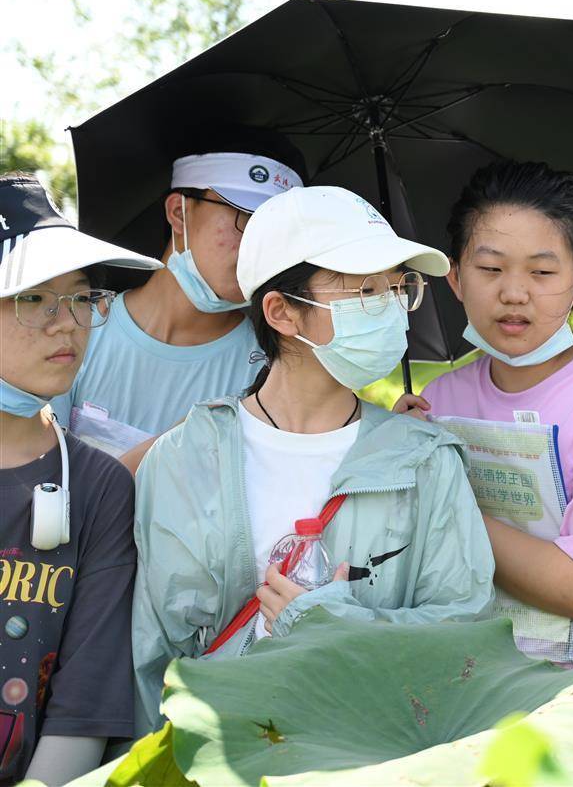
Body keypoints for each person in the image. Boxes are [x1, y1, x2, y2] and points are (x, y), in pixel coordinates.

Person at [132, 186, 496, 737]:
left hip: (369, 756)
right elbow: (152, 656)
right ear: (281, 312)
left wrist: (335, 623)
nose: (392, 310)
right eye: (366, 291)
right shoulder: (186, 458)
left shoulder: (424, 462)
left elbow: (463, 634)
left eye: (399, 288)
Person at [418, 160, 573, 785]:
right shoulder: (439, 403)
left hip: (572, 736)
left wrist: (444, 502)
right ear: (454, 277)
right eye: (490, 269)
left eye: (542, 271)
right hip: (453, 718)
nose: (514, 292)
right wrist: (402, 450)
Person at [0, 173, 161, 784]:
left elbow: (86, 698)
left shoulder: (97, 487)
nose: (67, 322)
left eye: (81, 296)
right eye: (33, 297)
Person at [51, 139, 306, 459]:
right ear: (178, 212)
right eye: (245, 217)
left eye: (275, 230)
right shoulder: (75, 330)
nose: (259, 244)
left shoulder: (274, 367)